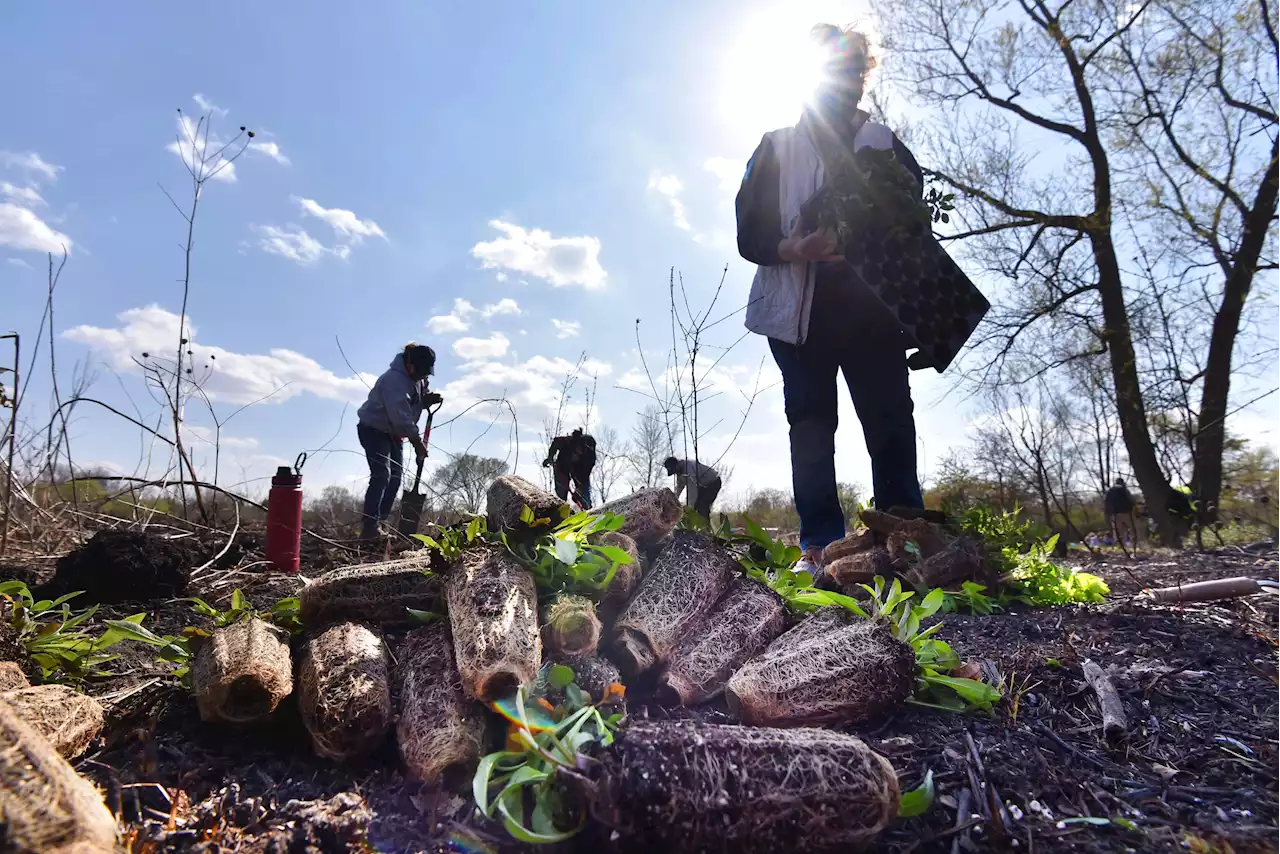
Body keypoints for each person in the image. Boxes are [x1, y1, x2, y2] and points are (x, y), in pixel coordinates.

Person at [735, 23, 927, 574]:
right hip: (799, 318)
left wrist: (877, 254)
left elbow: (916, 232)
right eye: (828, 70)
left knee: (890, 419)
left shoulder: (883, 145)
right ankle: (819, 545)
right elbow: (749, 235)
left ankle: (904, 538)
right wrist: (798, 246)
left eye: (850, 71)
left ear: (862, 77)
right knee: (812, 424)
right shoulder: (776, 147)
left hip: (874, 315)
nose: (840, 82)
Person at [356, 343, 442, 541]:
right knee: (382, 475)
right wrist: (416, 441)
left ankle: (381, 523)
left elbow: (413, 402)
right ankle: (370, 527)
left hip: (394, 434)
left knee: (395, 478)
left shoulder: (419, 379)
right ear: (409, 363)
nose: (423, 376)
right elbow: (400, 415)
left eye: (425, 372)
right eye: (420, 371)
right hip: (374, 430)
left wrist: (425, 401)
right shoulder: (393, 380)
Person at [543, 428, 596, 507]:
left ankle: (587, 508)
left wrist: (579, 489)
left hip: (578, 469)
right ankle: (560, 507)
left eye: (584, 451)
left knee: (584, 493)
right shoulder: (568, 441)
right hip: (562, 466)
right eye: (580, 448)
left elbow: (586, 474)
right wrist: (550, 457)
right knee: (561, 490)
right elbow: (556, 442)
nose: (580, 451)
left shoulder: (590, 458)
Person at [1104, 478, 1137, 547]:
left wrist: (1108, 513)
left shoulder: (1110, 490)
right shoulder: (1124, 489)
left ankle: (1120, 545)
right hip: (1126, 512)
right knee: (1132, 528)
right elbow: (1131, 500)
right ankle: (1134, 544)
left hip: (1115, 514)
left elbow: (1107, 502)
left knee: (1118, 530)